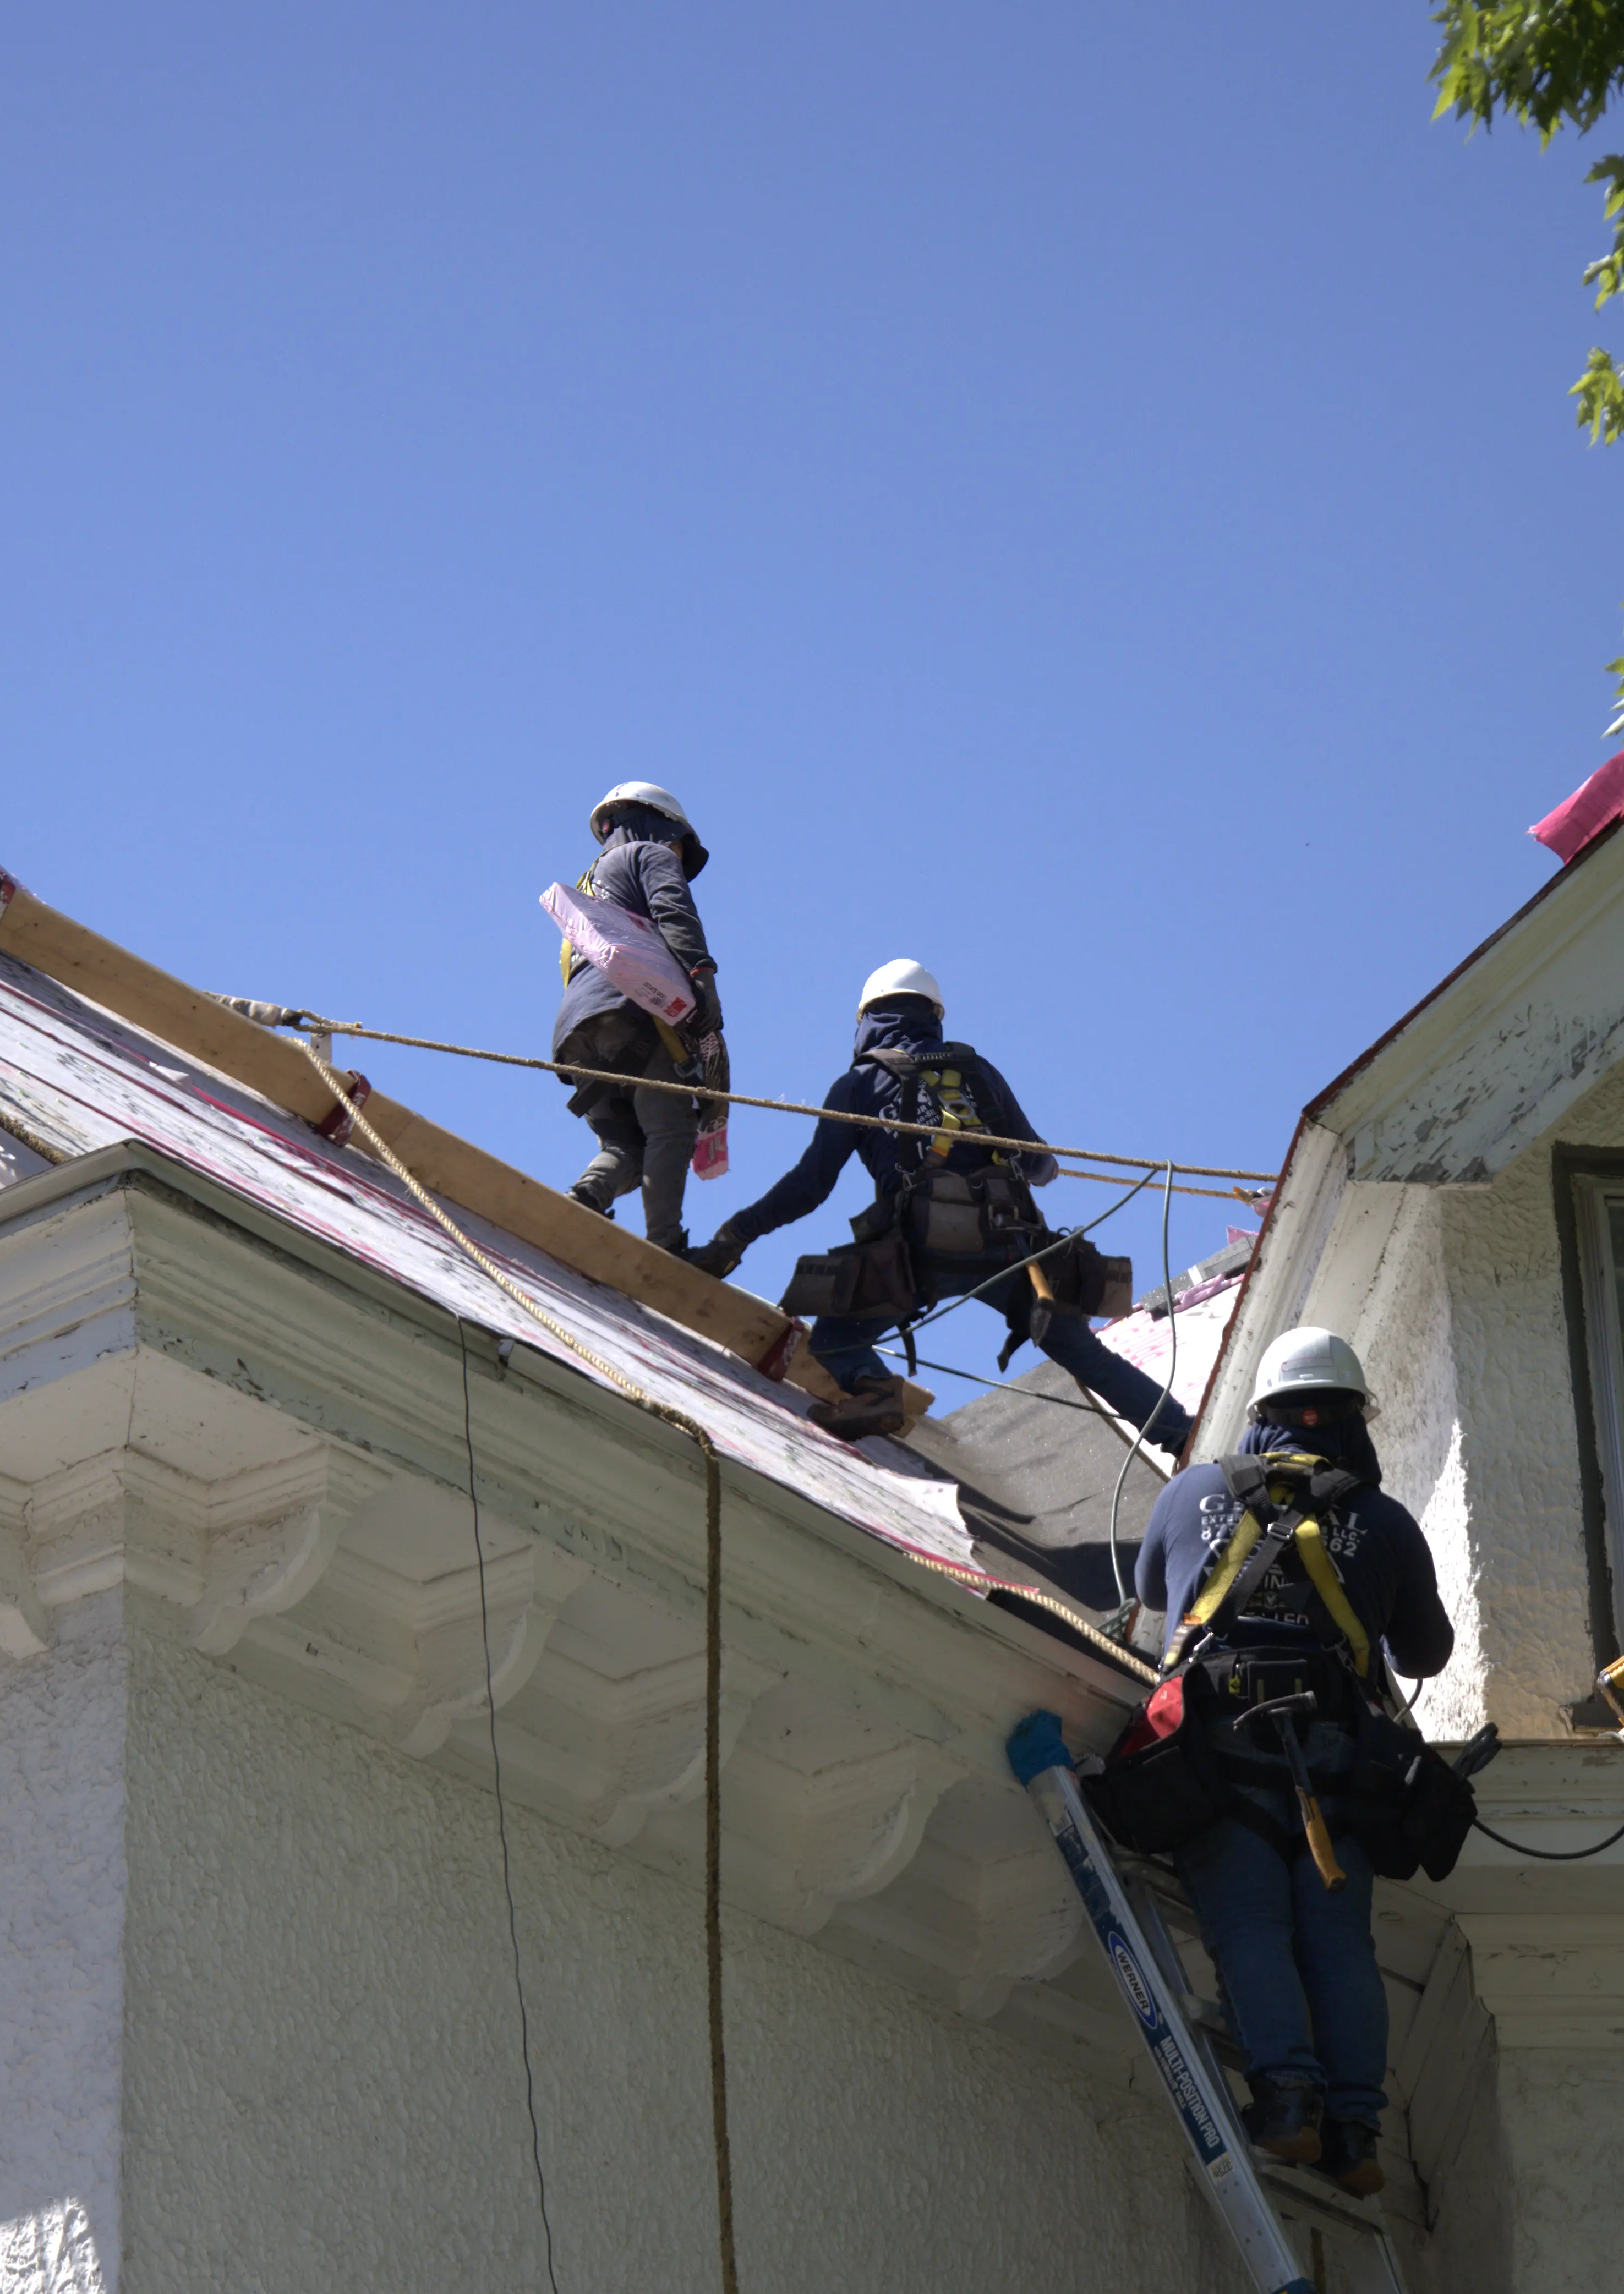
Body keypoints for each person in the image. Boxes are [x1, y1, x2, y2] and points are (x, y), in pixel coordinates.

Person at [1130, 1326, 1453, 2197]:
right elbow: (1424, 1655)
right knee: (1337, 1939)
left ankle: (1286, 2102)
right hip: (1338, 1756)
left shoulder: (1191, 1490)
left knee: (1249, 1923)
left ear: (1260, 1412)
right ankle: (1352, 2130)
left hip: (1220, 1743)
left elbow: (1153, 1593)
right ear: (1355, 1419)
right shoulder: (1383, 1520)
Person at [686, 960, 1191, 1447]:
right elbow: (1037, 1164)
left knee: (835, 1338)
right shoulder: (978, 1071)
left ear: (868, 1019)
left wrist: (738, 1233)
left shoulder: (858, 1085)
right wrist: (1042, 1167)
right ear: (932, 1015)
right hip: (1010, 1245)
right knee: (1083, 1353)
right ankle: (1181, 1435)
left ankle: (876, 1391)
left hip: (920, 1251)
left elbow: (810, 1185)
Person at [551, 782, 726, 1255]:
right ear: (657, 825)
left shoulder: (586, 887)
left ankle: (586, 1197)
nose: (677, 857)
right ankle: (665, 1246)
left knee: (627, 1147)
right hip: (631, 1017)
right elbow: (674, 911)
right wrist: (702, 976)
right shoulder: (649, 854)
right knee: (672, 1128)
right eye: (678, 845)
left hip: (576, 1035)